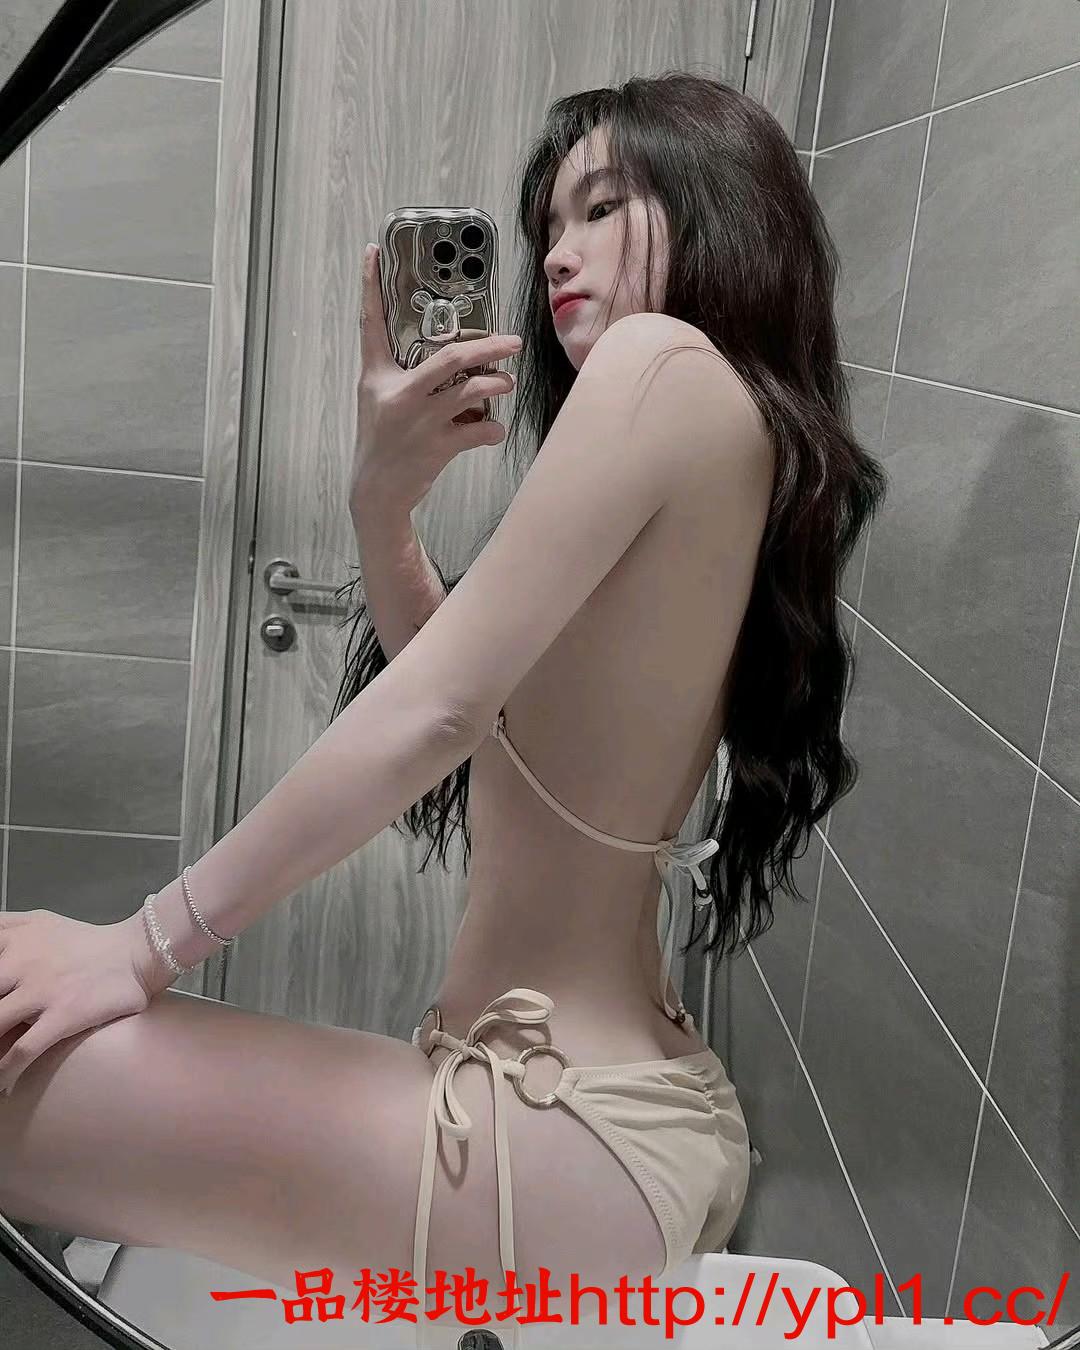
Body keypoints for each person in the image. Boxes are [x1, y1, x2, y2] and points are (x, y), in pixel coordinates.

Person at [0, 73, 886, 1349]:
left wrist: (140, 947)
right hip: (606, 1116)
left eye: (603, 207)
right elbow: (491, 725)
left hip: (560, 1132)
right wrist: (383, 502)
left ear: (721, 213)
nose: (558, 256)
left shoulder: (663, 365)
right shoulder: (720, 422)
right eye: (546, 229)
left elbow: (440, 711)